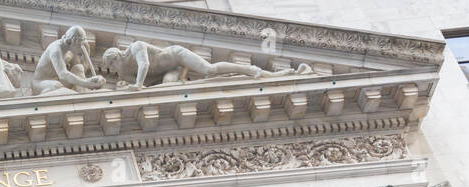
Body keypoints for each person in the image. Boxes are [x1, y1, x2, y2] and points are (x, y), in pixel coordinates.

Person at [100, 40, 312, 90]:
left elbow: (145, 64)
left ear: (116, 57)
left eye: (114, 66)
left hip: (177, 56)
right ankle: (240, 80)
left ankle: (251, 70)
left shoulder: (136, 47)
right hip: (171, 71)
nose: (115, 71)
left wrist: (137, 85)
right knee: (170, 88)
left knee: (209, 70)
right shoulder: (125, 74)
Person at [30, 25, 104, 95]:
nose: (81, 48)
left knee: (78, 68)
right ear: (70, 42)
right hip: (40, 83)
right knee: (56, 86)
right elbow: (63, 74)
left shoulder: (71, 50)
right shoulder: (56, 49)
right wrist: (87, 83)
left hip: (59, 81)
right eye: (79, 45)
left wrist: (87, 51)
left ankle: (84, 95)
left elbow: (80, 72)